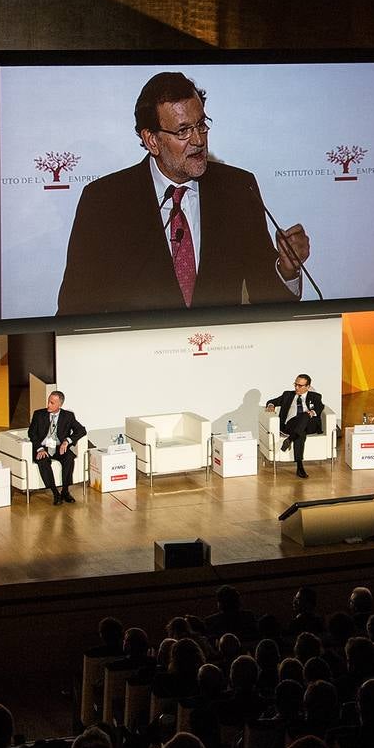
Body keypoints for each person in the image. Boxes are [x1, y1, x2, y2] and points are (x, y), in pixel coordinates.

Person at [56, 71, 311, 315]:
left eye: (201, 125)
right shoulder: (104, 202)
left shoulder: (238, 189)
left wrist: (286, 270)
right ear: (152, 140)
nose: (199, 140)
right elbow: (75, 308)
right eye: (183, 131)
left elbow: (266, 300)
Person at [29, 391, 86, 505]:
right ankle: (55, 493)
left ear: (60, 404)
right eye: (48, 401)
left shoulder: (68, 416)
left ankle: (65, 491)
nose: (48, 405)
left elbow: (81, 430)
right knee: (43, 461)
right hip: (43, 447)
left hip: (58, 447)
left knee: (69, 458)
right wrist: (39, 448)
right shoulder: (38, 414)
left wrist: (67, 441)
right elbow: (32, 433)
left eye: (52, 403)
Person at [264, 374, 324, 478]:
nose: (296, 387)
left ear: (308, 387)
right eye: (295, 384)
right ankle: (299, 467)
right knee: (300, 432)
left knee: (305, 416)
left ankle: (290, 439)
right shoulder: (288, 395)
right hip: (291, 425)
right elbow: (272, 401)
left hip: (310, 425)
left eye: (300, 386)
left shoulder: (315, 396)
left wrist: (312, 412)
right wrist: (270, 405)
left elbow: (320, 406)